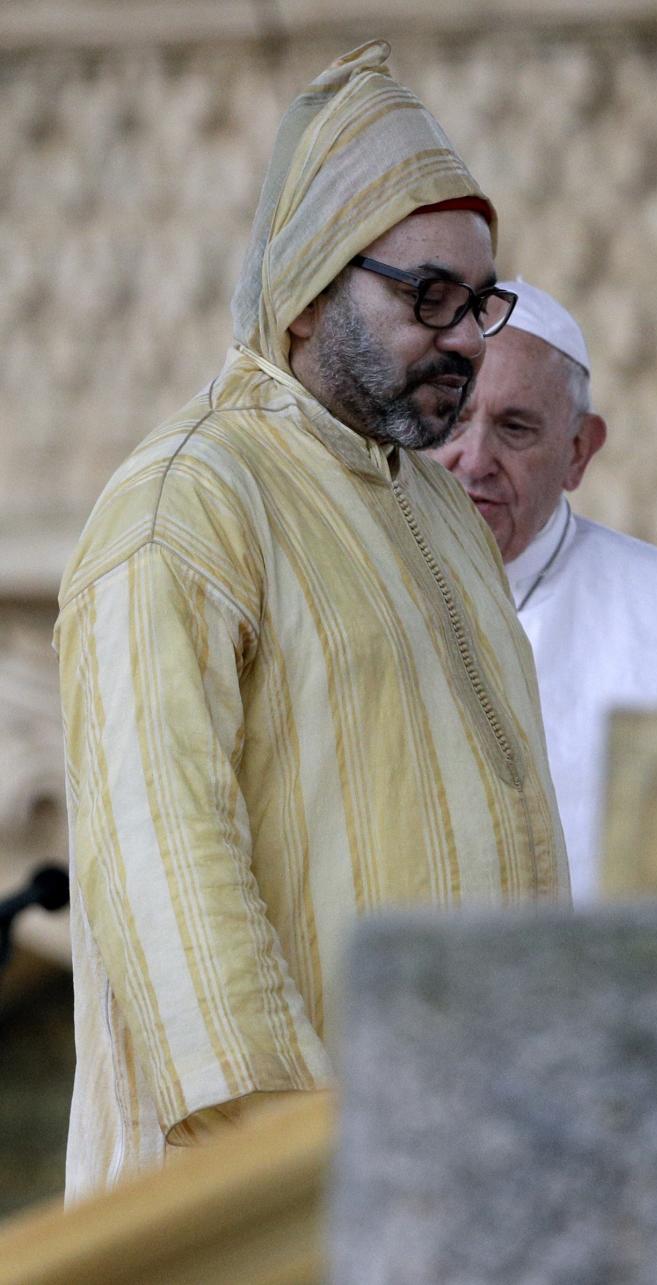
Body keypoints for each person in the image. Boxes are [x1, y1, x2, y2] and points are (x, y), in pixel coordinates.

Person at [55, 43, 567, 1200]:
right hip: (277, 1209)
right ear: (310, 281)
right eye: (425, 296)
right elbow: (169, 875)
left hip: (464, 1181)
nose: (464, 338)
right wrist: (295, 1168)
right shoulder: (187, 503)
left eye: (479, 302)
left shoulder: (434, 504)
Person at [428, 281, 657, 902]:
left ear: (579, 451)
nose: (474, 461)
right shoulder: (335, 594)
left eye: (515, 427)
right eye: (452, 420)